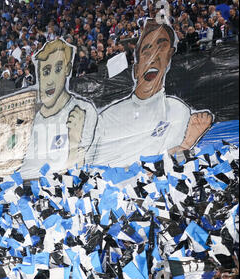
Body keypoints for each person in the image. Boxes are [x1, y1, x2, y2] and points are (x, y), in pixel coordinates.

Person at [89, 19, 213, 168]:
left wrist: (186, 144)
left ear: (168, 60)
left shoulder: (177, 111)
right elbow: (95, 168)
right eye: (147, 53)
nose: (153, 59)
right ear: (136, 69)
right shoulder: (108, 117)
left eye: (160, 49)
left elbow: (171, 163)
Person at [18, 38, 98, 180]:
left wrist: (74, 140)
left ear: (67, 70)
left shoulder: (83, 110)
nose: (50, 80)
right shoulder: (35, 119)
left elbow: (85, 167)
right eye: (46, 71)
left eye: (58, 69)